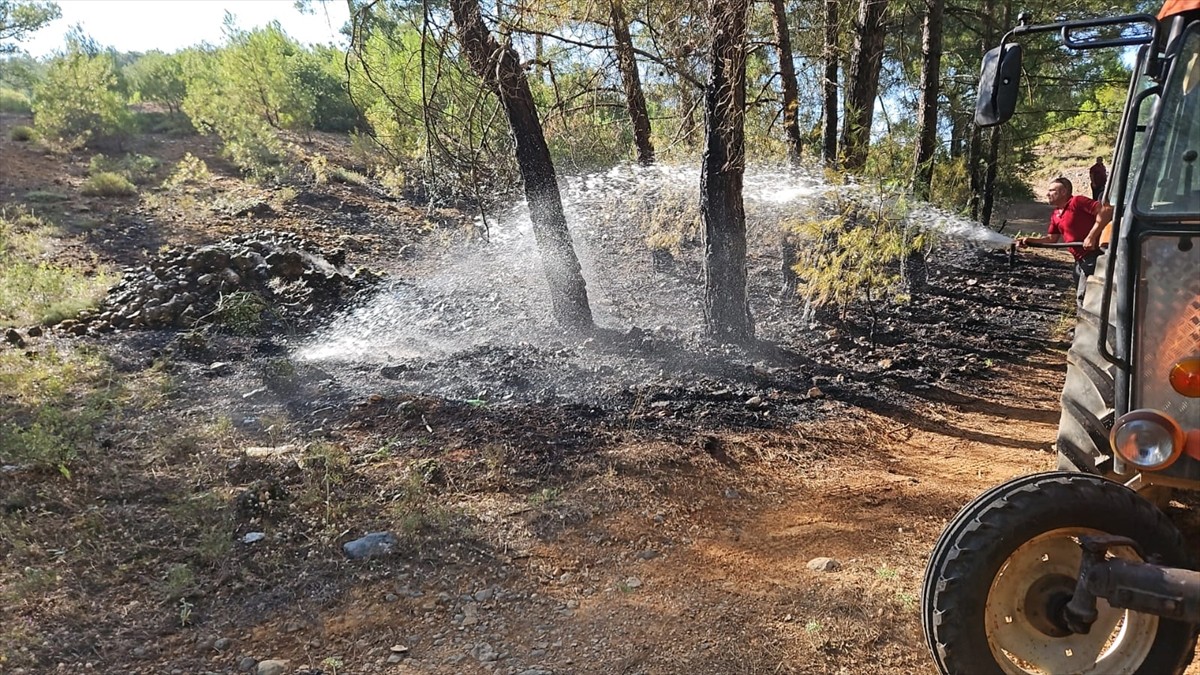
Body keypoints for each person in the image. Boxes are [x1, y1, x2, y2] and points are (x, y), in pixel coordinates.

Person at [1017, 177, 1103, 303]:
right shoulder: (1056, 214)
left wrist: (1091, 236)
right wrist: (1029, 240)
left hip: (1094, 256)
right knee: (1082, 297)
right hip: (1079, 260)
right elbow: (1051, 239)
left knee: (1085, 297)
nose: (1047, 194)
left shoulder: (1077, 201)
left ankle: (1089, 322)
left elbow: (1106, 211)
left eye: (1052, 190)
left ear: (1063, 192)